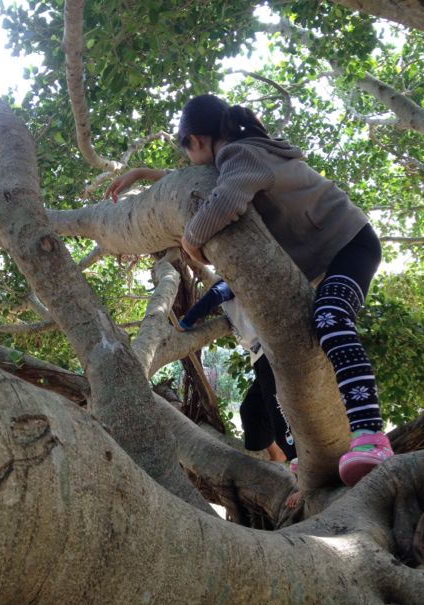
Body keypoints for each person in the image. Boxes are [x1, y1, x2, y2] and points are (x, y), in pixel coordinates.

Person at [105, 93, 394, 487]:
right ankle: (320, 449)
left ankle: (371, 435)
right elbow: (195, 181)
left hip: (349, 245)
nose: (189, 161)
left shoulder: (240, 154)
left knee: (330, 317)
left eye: (187, 151)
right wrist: (141, 173)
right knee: (308, 340)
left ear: (196, 140)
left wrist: (191, 243)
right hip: (332, 252)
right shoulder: (243, 154)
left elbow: (224, 201)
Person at [178, 279, 297, 463]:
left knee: (278, 406)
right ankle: (278, 456)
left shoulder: (232, 279)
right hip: (259, 357)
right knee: (251, 409)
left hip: (270, 352)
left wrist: (186, 322)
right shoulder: (236, 292)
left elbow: (217, 293)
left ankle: (296, 458)